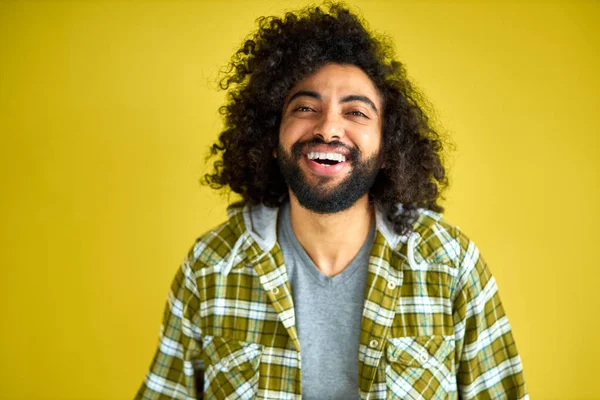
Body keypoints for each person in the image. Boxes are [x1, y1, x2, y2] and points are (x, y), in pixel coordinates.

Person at [135, 3, 527, 399]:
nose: (328, 128)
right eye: (305, 108)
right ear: (272, 137)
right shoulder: (210, 267)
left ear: (388, 148)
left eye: (356, 112)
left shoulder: (451, 264)